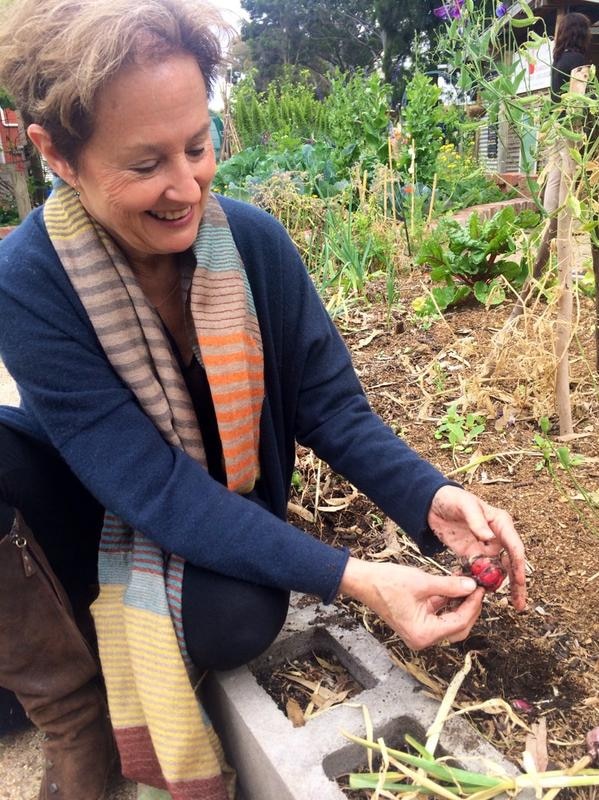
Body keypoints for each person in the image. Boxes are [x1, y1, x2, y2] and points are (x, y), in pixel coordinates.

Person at [0, 0, 527, 797]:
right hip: (89, 516)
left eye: (197, 146)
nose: (185, 187)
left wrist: (432, 498)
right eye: (145, 165)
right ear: (58, 155)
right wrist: (358, 578)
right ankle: (73, 714)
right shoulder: (29, 280)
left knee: (234, 621)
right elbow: (148, 485)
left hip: (215, 501)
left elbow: (329, 407)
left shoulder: (249, 244)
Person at [529, 12, 592, 282]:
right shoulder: (578, 61)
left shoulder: (559, 60)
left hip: (555, 128)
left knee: (554, 182)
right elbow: (579, 105)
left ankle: (549, 229)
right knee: (569, 190)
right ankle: (566, 257)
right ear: (581, 33)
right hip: (569, 131)